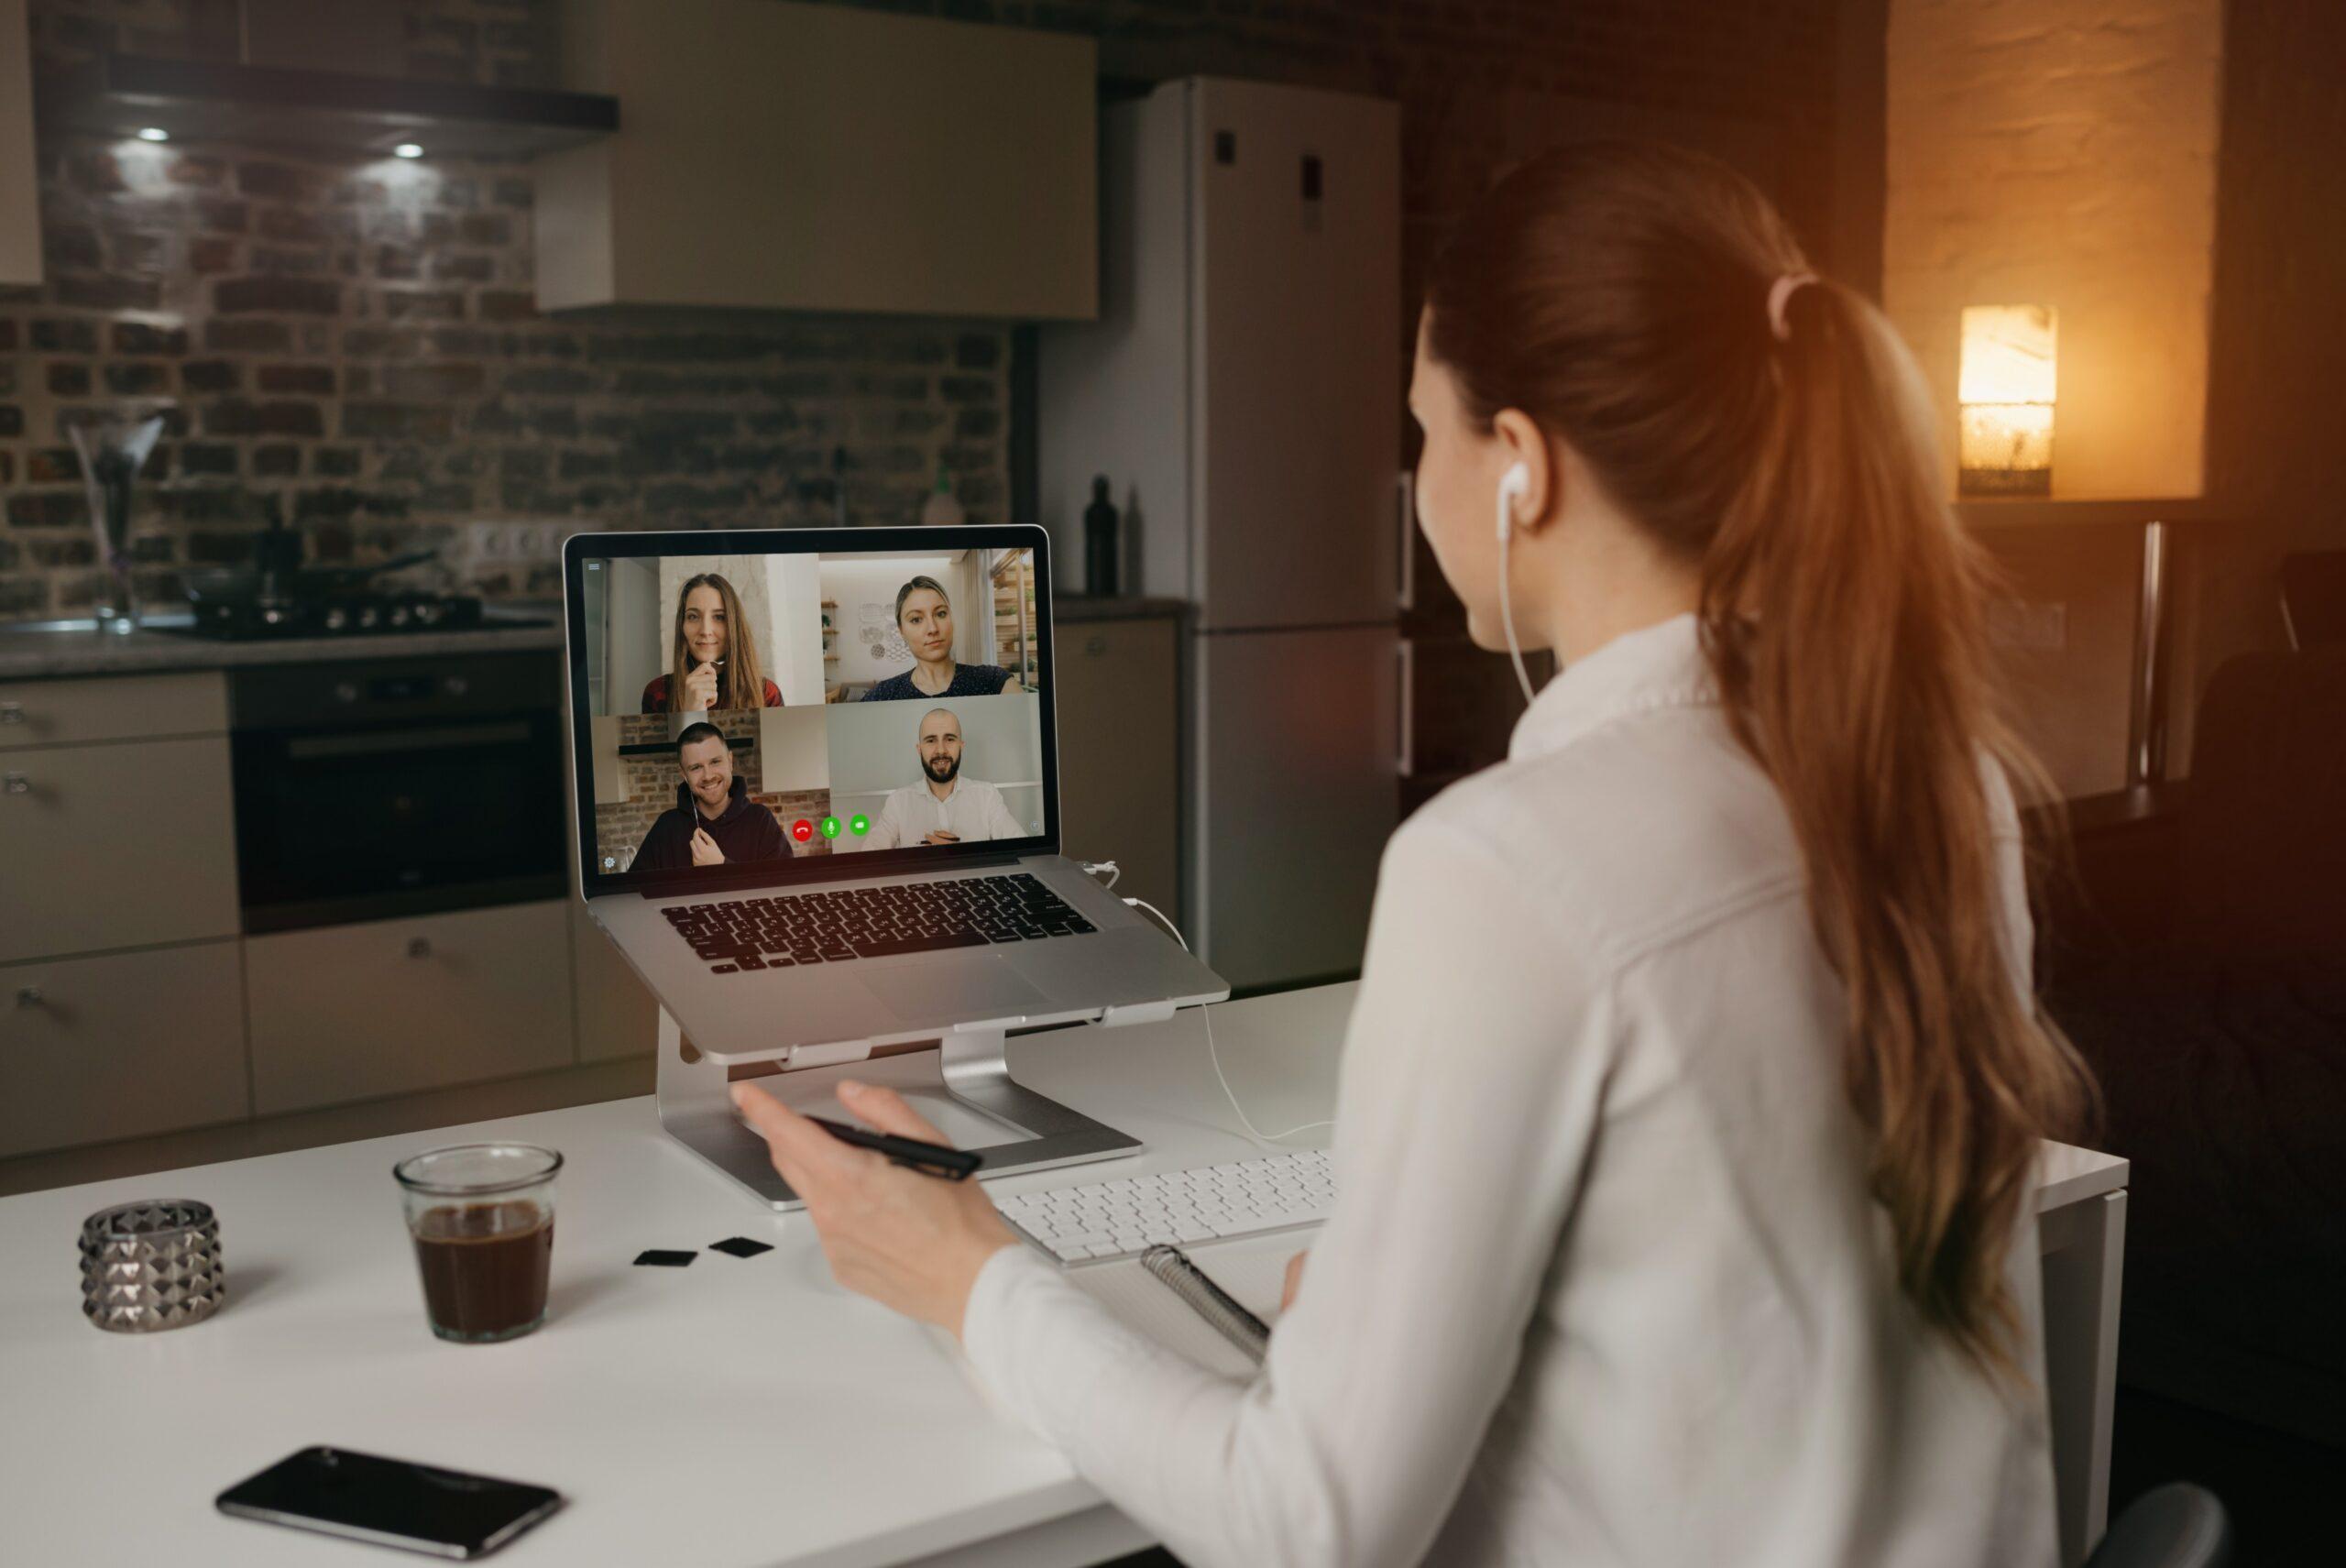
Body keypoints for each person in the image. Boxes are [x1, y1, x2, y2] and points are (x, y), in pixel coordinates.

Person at [730, 142, 2093, 1567]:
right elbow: (1758, 1290)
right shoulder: (1947, 782)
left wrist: (970, 1279)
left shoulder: (1508, 865)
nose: (1415, 472)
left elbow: (1306, 1525)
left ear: (1523, 466)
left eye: (1426, 427)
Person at [855, 707, 1027, 849]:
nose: (941, 750)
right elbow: (868, 859)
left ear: (961, 746)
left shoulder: (987, 796)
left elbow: (1023, 850)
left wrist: (963, 857)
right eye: (931, 740)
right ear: (919, 749)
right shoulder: (898, 802)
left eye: (950, 739)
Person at [630, 722, 789, 872]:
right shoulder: (666, 827)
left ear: (730, 761)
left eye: (715, 762)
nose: (708, 775)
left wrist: (721, 866)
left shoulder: (760, 819)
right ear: (684, 775)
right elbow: (633, 890)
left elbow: (782, 883)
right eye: (696, 767)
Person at [857, 576, 1024, 701]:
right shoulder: (884, 696)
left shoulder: (993, 681)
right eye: (916, 619)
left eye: (941, 614)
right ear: (901, 630)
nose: (933, 628)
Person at [641, 573, 784, 713]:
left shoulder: (767, 694)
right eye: (693, 616)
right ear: (682, 626)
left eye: (719, 617)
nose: (705, 630)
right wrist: (690, 713)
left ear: (734, 626)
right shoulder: (657, 693)